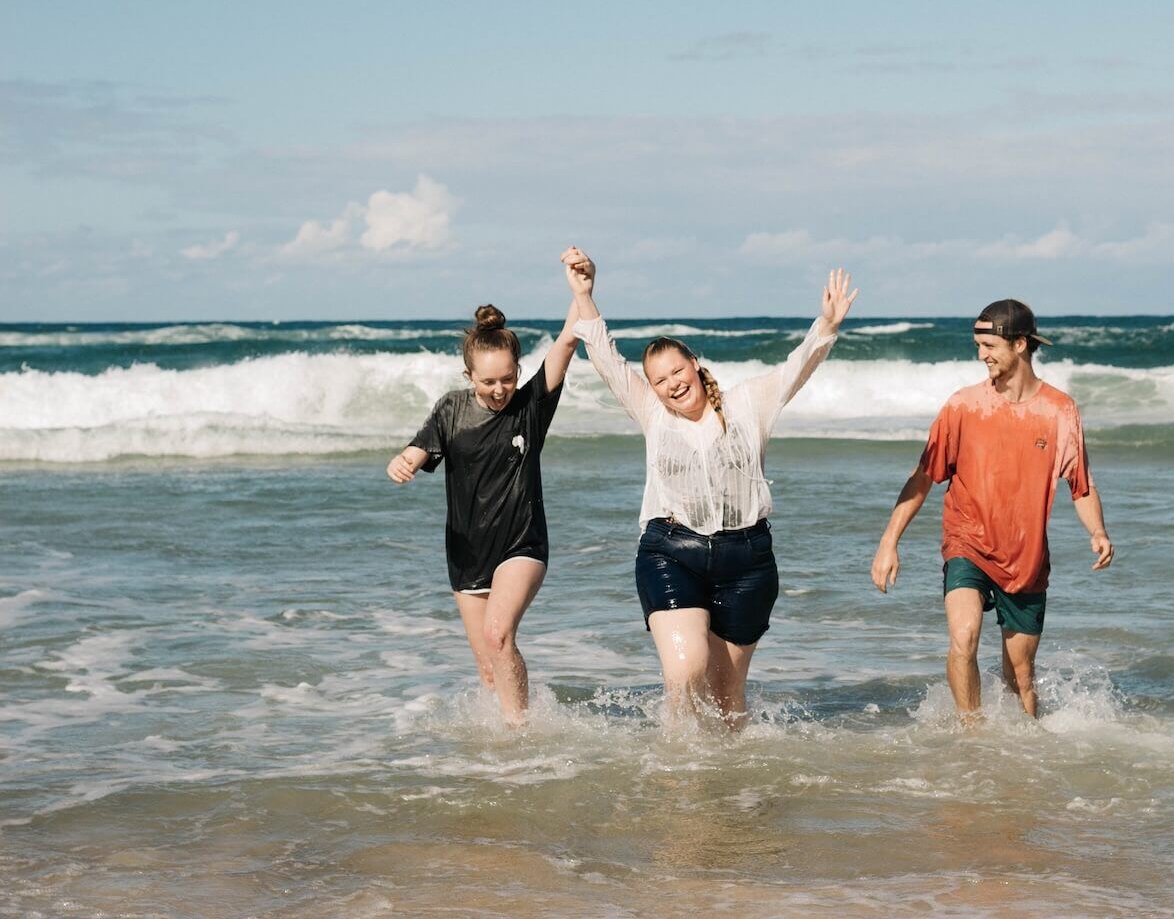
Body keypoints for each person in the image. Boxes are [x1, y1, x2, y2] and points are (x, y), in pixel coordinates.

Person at [563, 248, 856, 728]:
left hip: (748, 562)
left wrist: (825, 325)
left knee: (726, 698)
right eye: (659, 380)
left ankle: (728, 790)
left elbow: (796, 367)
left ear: (695, 364)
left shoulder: (749, 404)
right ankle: (679, 779)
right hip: (670, 551)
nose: (671, 385)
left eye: (677, 371)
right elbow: (607, 359)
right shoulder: (652, 414)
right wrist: (584, 294)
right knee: (685, 671)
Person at [869, 299, 1114, 721]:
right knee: (963, 640)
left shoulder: (1059, 411)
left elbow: (1081, 484)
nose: (981, 354)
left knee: (1020, 673)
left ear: (1020, 344)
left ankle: (1023, 753)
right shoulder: (963, 406)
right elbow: (922, 477)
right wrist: (889, 542)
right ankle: (973, 738)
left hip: (1026, 556)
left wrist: (1098, 532)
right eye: (977, 344)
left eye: (989, 345)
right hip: (967, 542)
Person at [385, 252, 586, 724]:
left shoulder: (530, 405)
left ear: (518, 369)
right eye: (488, 381)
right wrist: (404, 462)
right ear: (469, 376)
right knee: (489, 668)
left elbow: (566, 344)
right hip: (467, 553)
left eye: (508, 378)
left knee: (499, 636)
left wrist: (582, 291)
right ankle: (509, 736)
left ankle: (520, 738)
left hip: (522, 544)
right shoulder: (451, 410)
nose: (500, 389)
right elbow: (419, 450)